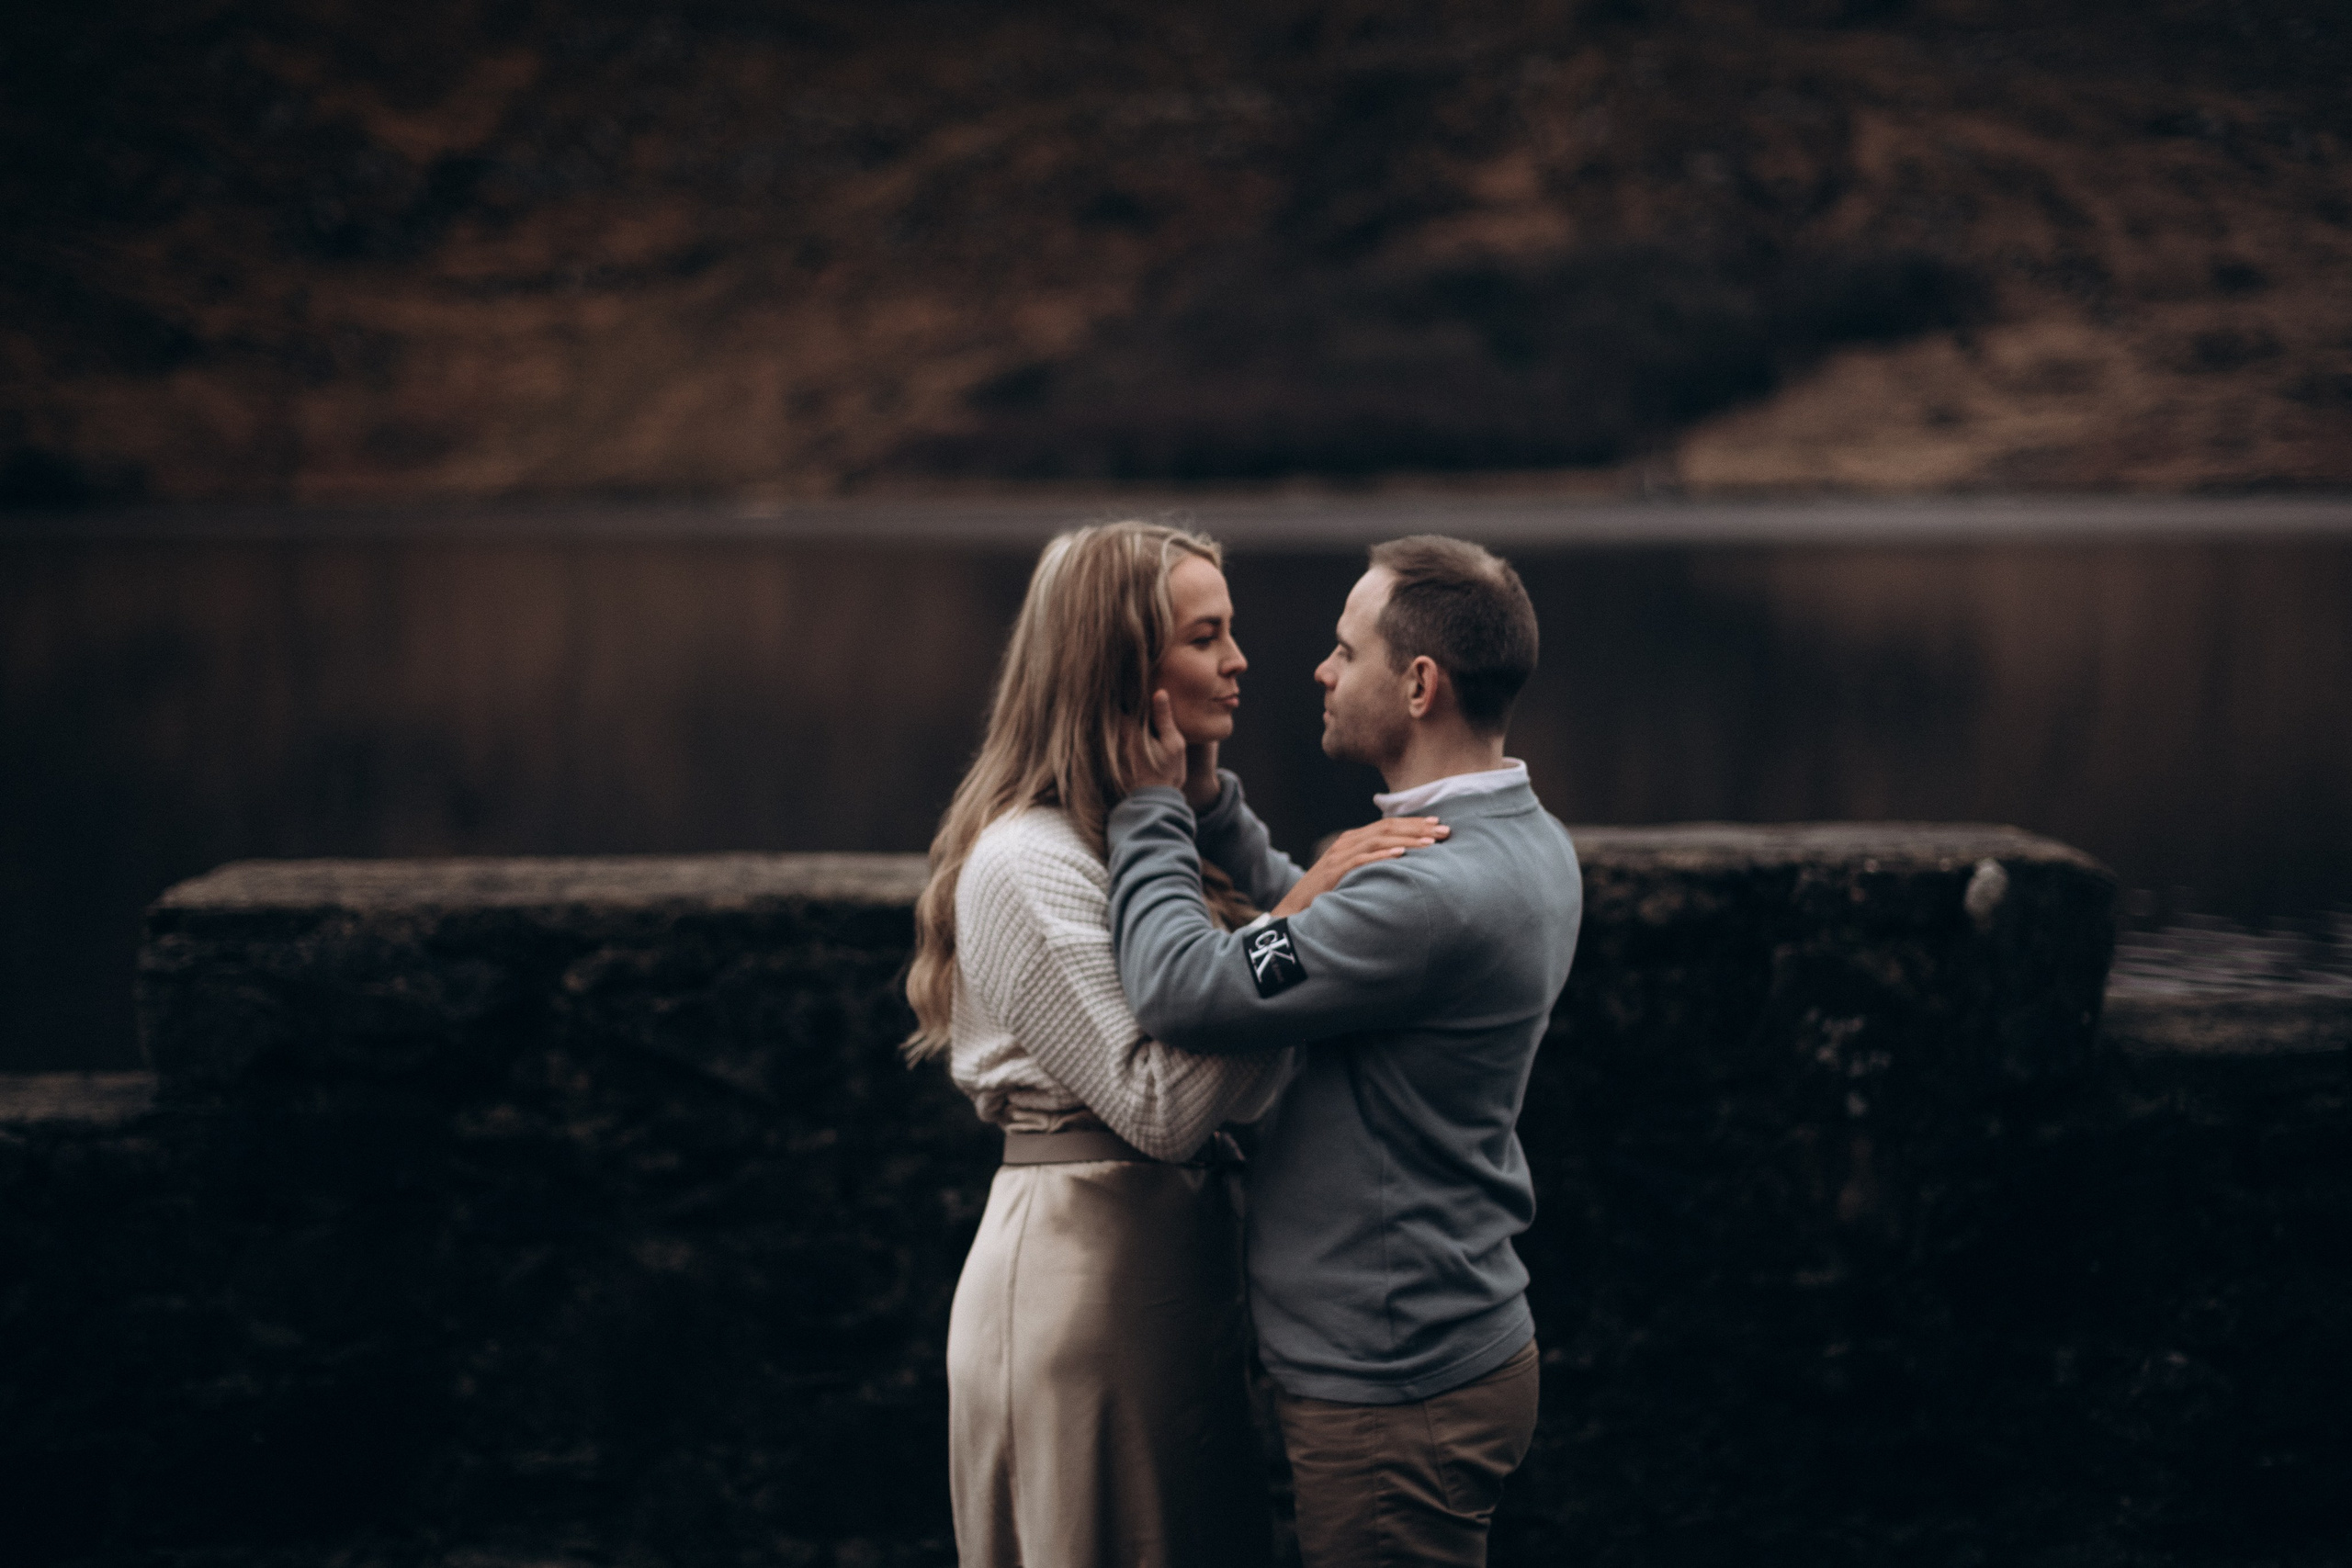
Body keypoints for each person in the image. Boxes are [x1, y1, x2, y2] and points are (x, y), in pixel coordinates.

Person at [904, 520, 1440, 1568]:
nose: (1239, 660)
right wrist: (1300, 923)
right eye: (1205, 637)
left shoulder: (1143, 838)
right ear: (1119, 667)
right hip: (1080, 1292)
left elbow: (1245, 1001)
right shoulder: (1025, 861)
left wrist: (1223, 833)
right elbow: (1162, 1108)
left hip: (1169, 1281)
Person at [1107, 534, 1583, 1568]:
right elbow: (1329, 942)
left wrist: (1148, 808)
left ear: (1419, 685)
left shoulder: (1428, 894)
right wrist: (1215, 809)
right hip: (1443, 1339)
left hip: (1390, 1383)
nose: (1320, 671)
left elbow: (1184, 986)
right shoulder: (1521, 838)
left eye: (1345, 650)